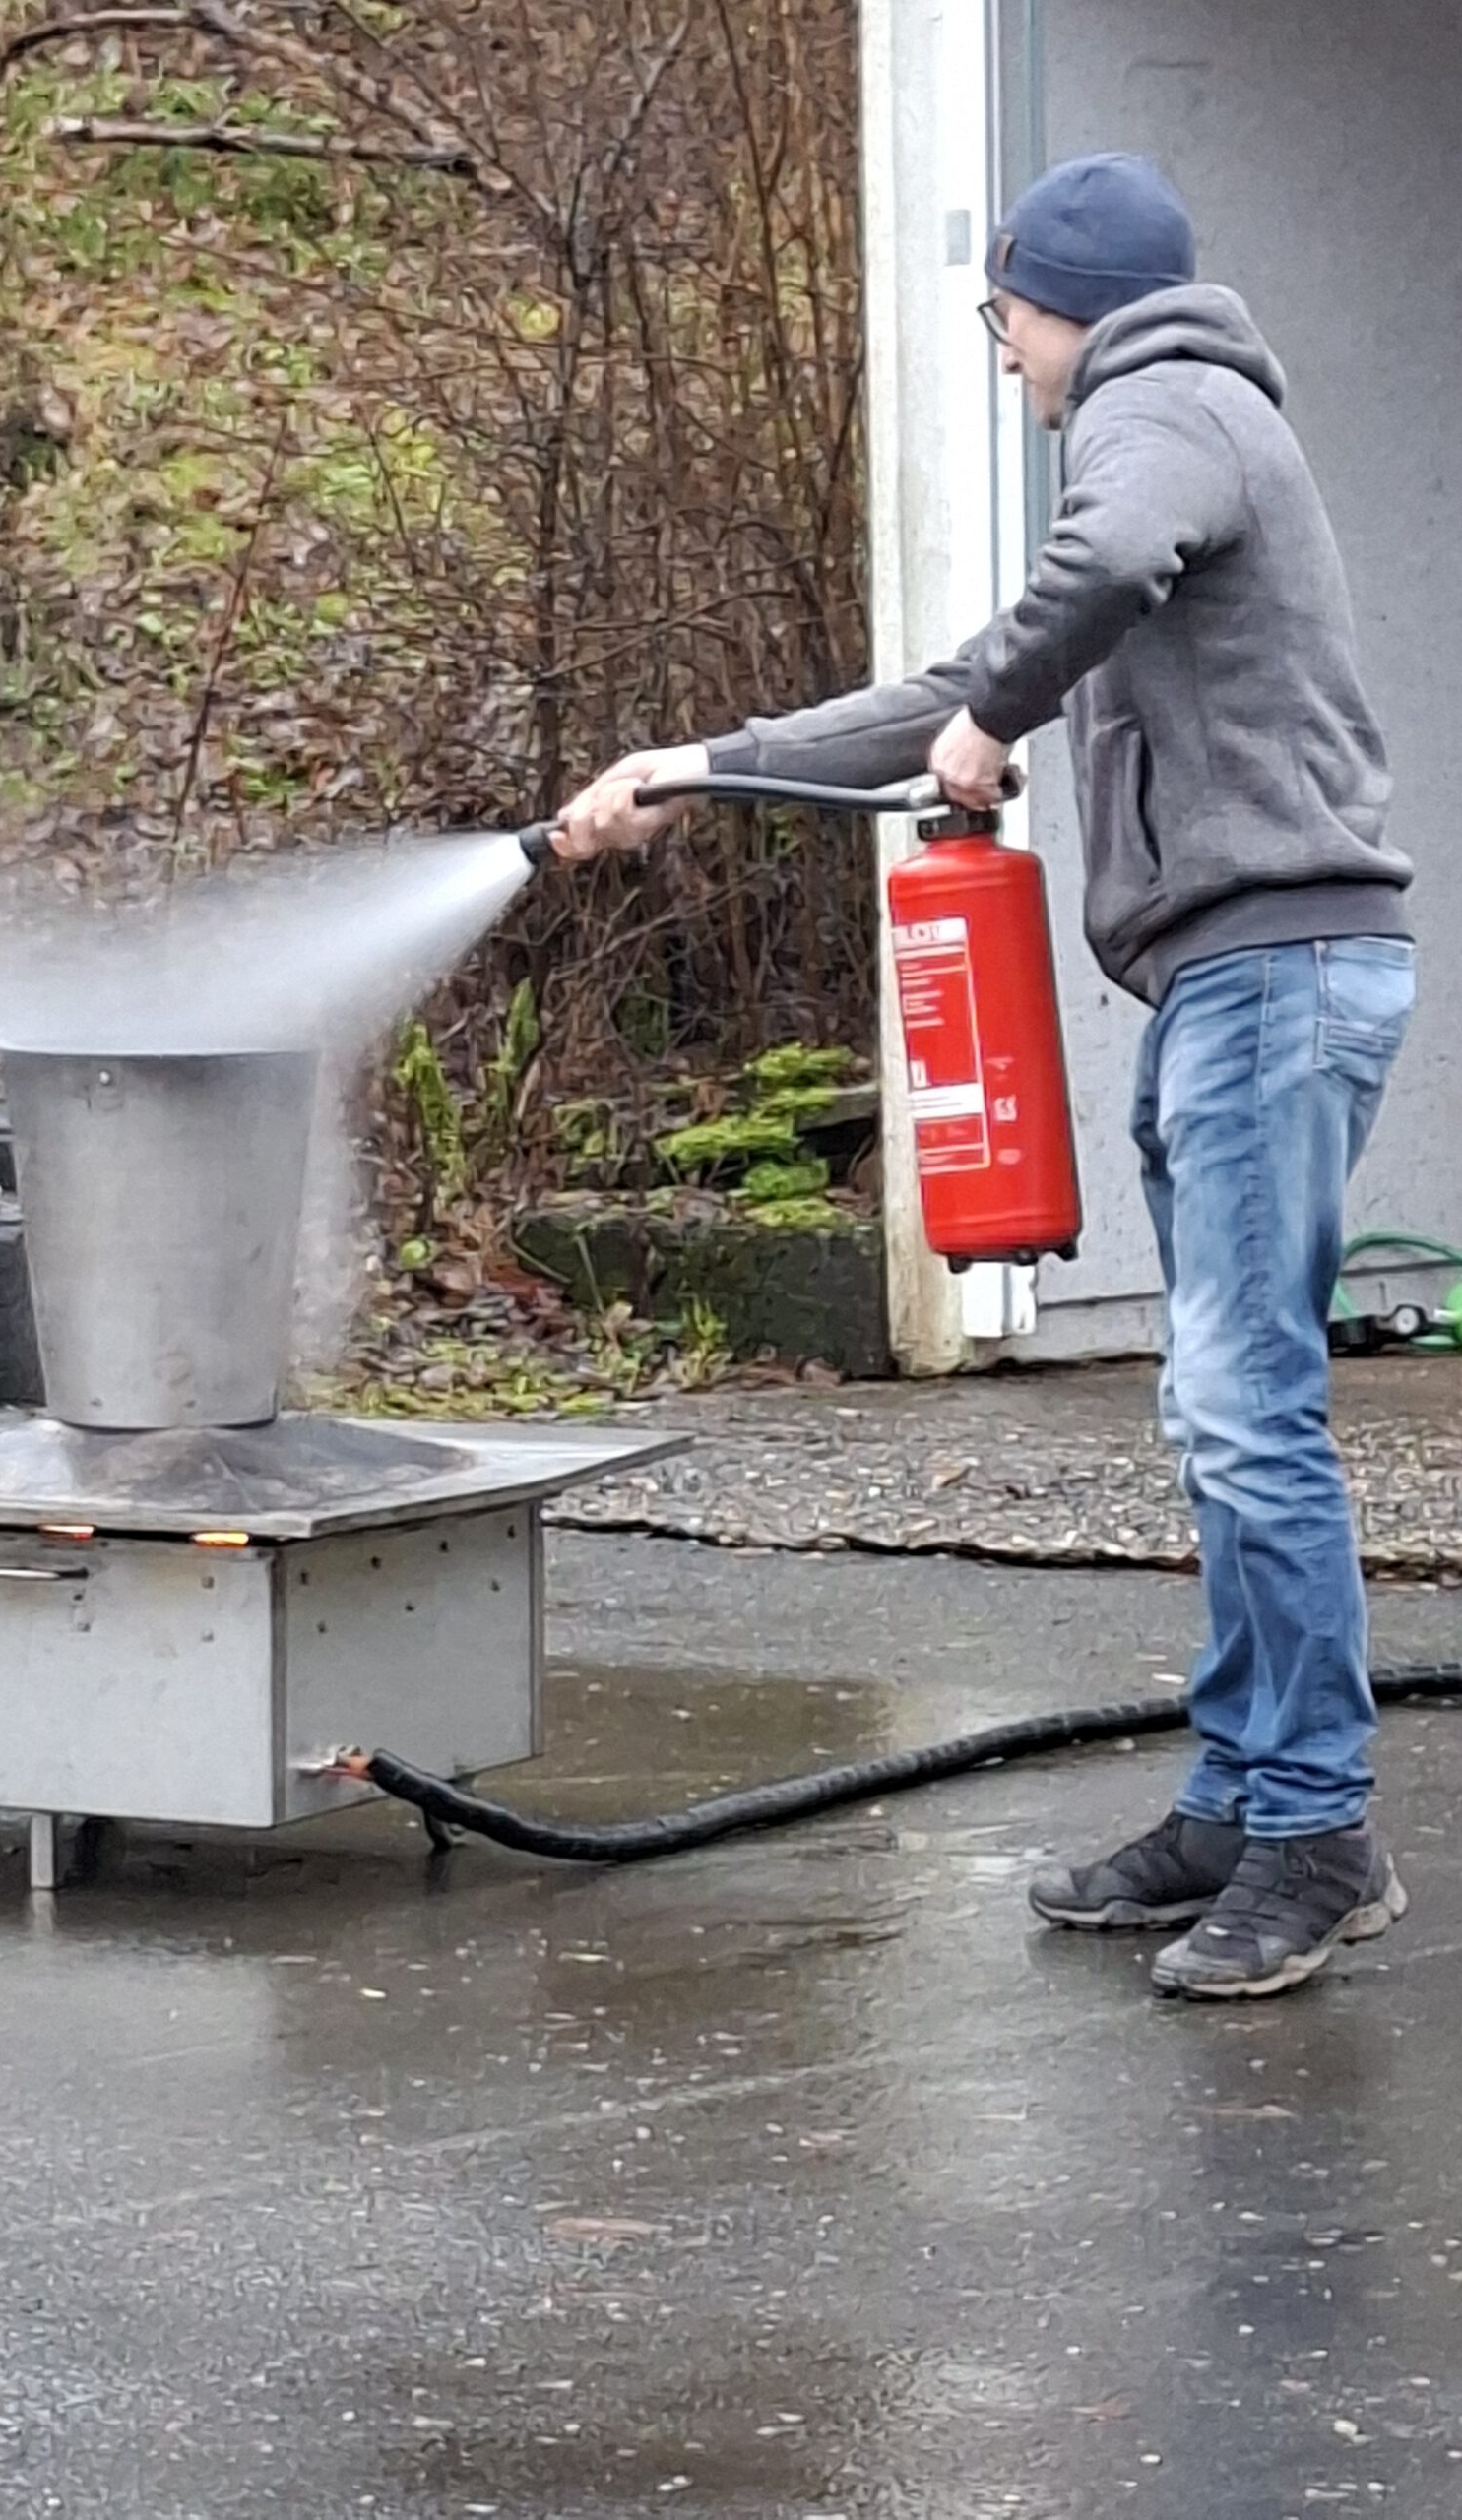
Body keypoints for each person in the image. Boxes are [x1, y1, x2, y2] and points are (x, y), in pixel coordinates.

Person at [553, 153, 1416, 2003]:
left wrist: (995, 716)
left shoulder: (1167, 403)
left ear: (1064, 302)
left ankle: (1320, 1833)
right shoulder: (1160, 444)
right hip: (1228, 981)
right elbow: (961, 675)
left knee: (1248, 1411)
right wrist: (693, 763)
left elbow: (1080, 590)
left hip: (1275, 972)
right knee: (1217, 1413)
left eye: (1005, 316)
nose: (1005, 353)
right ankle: (1241, 1797)